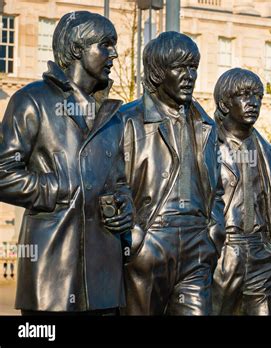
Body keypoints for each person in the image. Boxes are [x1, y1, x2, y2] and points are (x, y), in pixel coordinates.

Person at [0, 11, 133, 314]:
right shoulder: (31, 101)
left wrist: (125, 205)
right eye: (105, 45)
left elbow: (120, 182)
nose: (114, 53)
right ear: (77, 49)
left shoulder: (113, 115)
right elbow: (2, 172)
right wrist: (59, 188)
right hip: (51, 274)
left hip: (104, 281)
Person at [120, 31, 225, 315]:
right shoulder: (127, 121)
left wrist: (215, 229)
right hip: (150, 240)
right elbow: (113, 184)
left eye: (193, 68)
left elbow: (217, 188)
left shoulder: (206, 125)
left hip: (197, 245)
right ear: (157, 73)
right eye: (179, 68)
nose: (189, 76)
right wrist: (133, 234)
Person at [211, 68, 271, 315]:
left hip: (262, 250)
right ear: (224, 102)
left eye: (258, 96)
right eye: (244, 95)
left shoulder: (269, 153)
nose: (253, 103)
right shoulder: (206, 145)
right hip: (224, 250)